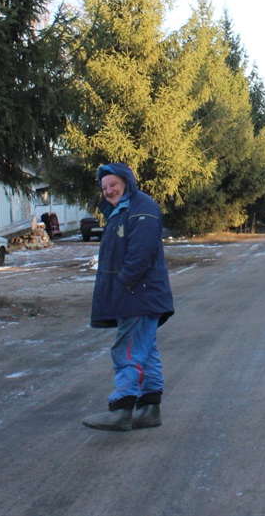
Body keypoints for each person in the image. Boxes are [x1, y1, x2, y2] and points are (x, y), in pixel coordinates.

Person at [82, 163, 175, 432]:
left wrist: (122, 282)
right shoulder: (122, 210)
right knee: (146, 352)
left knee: (127, 350)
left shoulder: (141, 207)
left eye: (113, 184)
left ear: (126, 181)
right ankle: (149, 409)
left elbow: (141, 252)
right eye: (105, 187)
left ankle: (122, 409)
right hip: (138, 296)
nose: (109, 191)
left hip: (138, 296)